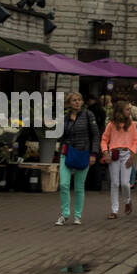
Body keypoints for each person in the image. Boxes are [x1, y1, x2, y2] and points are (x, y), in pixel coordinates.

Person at [55, 92, 99, 226]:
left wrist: (93, 154)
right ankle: (65, 214)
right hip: (67, 152)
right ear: (69, 103)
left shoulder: (88, 115)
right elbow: (60, 136)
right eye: (74, 100)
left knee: (79, 186)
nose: (77, 102)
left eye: (79, 100)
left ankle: (78, 215)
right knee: (63, 184)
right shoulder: (65, 118)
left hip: (82, 153)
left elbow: (96, 135)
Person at [100, 101, 137, 218]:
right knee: (115, 183)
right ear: (120, 111)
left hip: (127, 153)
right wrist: (106, 153)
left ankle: (127, 201)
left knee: (125, 183)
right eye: (127, 109)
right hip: (114, 154)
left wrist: (132, 155)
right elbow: (104, 140)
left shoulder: (131, 124)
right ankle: (114, 210)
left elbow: (135, 141)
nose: (129, 111)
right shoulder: (111, 124)